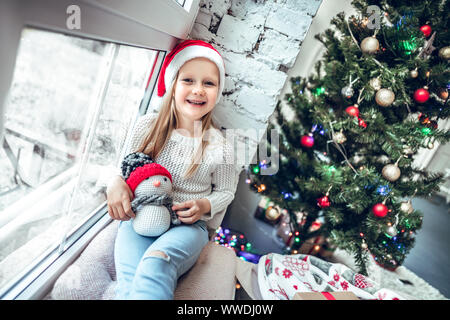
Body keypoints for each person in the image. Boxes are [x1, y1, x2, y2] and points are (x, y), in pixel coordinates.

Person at [106, 39, 241, 299]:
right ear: (173, 84)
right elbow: (120, 167)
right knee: (130, 285)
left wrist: (203, 205)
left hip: (187, 228)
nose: (199, 90)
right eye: (188, 80)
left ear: (218, 92)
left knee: (156, 263)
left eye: (209, 83)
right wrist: (115, 183)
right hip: (143, 214)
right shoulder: (146, 127)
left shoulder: (221, 148)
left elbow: (226, 191)